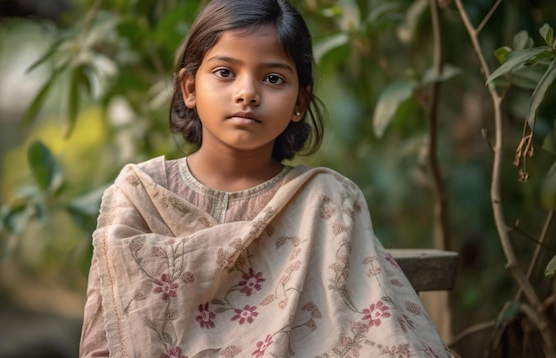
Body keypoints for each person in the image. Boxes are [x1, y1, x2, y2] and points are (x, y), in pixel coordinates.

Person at [79, 0, 452, 357]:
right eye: (225, 72)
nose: (247, 93)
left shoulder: (325, 201)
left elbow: (376, 334)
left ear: (299, 104)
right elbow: (106, 337)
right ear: (189, 88)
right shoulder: (141, 196)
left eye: (273, 78)